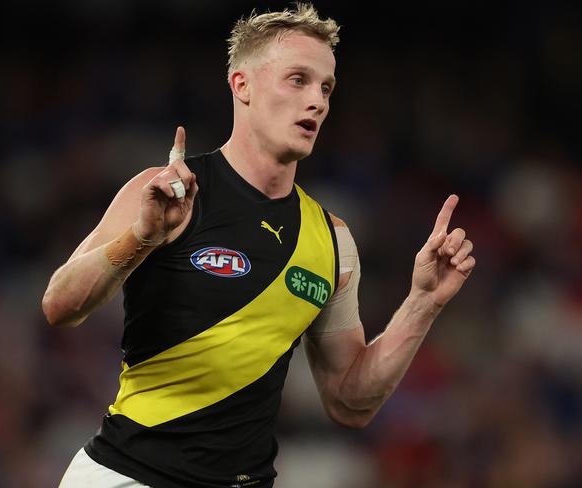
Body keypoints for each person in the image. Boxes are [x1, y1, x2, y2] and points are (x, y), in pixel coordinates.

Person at [42, 3, 475, 487]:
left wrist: (423, 303)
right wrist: (139, 238)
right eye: (298, 80)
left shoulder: (331, 240)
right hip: (130, 476)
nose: (317, 102)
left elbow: (349, 402)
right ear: (241, 85)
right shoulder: (169, 192)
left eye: (326, 87)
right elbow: (60, 305)